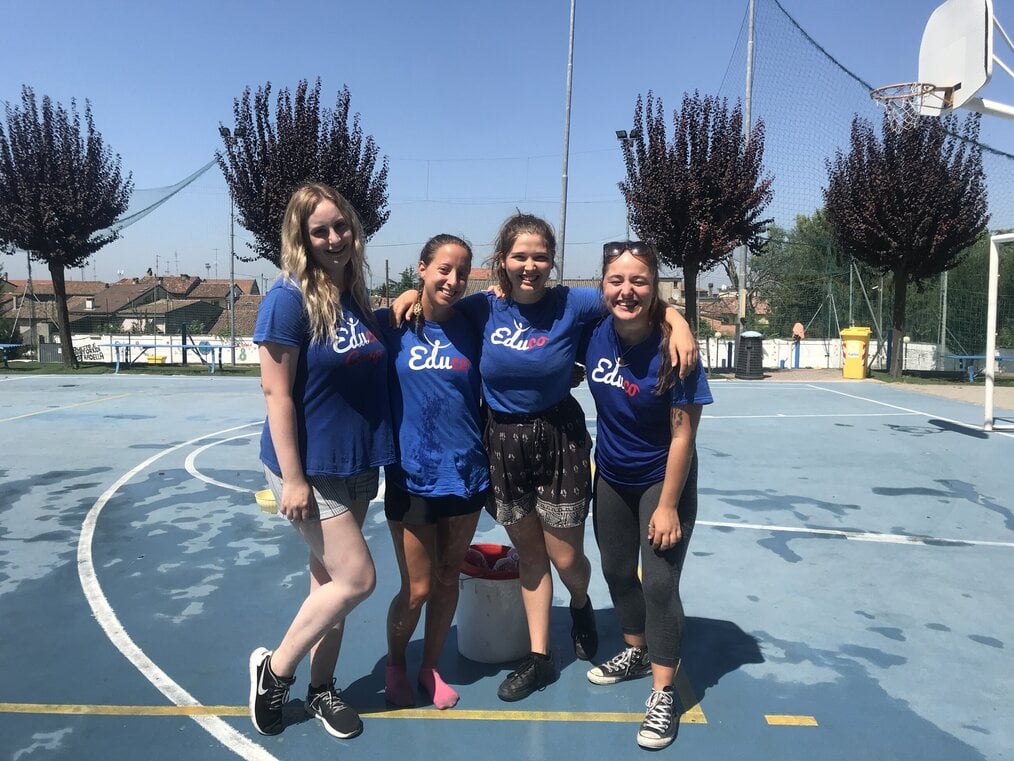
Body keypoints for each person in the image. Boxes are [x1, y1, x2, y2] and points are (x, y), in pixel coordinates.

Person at [391, 214, 699, 703]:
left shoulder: (572, 303)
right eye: (520, 256)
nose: (529, 266)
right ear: (503, 261)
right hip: (502, 439)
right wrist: (409, 292)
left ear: (553, 262)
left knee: (566, 557)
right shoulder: (481, 308)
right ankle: (539, 657)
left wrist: (678, 321)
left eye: (539, 257)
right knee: (530, 555)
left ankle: (579, 600)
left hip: (559, 437)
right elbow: (434, 303)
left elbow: (630, 295)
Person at [249, 182, 395, 740]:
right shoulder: (287, 298)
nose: (334, 238)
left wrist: (402, 303)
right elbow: (276, 394)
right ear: (301, 238)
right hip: (310, 469)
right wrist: (292, 479)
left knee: (328, 583)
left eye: (341, 226)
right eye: (320, 231)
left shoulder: (353, 294)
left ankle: (322, 688)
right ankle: (276, 671)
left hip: (356, 460)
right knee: (357, 578)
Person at [583, 241, 712, 750]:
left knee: (658, 583)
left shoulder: (676, 351)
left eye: (639, 281)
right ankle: (636, 650)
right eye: (616, 280)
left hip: (662, 478)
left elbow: (683, 436)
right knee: (616, 570)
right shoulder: (595, 331)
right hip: (611, 475)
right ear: (602, 286)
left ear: (654, 287)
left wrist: (668, 505)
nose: (627, 290)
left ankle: (663, 692)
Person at [377, 234, 488, 710]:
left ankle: (431, 666)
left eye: (462, 272)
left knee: (446, 577)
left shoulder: (475, 324)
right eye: (444, 269)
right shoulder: (392, 325)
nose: (453, 280)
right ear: (421, 268)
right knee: (417, 586)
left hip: (466, 474)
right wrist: (404, 297)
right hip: (411, 476)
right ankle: (396, 663)